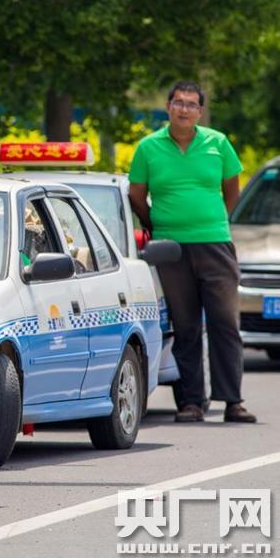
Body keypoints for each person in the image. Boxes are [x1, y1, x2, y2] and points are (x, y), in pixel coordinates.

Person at [128, 81, 256, 424]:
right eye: (178, 103)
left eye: (191, 104)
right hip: (171, 248)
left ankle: (232, 401)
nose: (184, 109)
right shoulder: (148, 147)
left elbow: (232, 187)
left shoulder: (218, 143)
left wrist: (217, 219)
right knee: (185, 326)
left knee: (225, 323)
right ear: (168, 107)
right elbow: (136, 194)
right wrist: (153, 223)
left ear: (200, 111)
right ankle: (191, 403)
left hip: (214, 242)